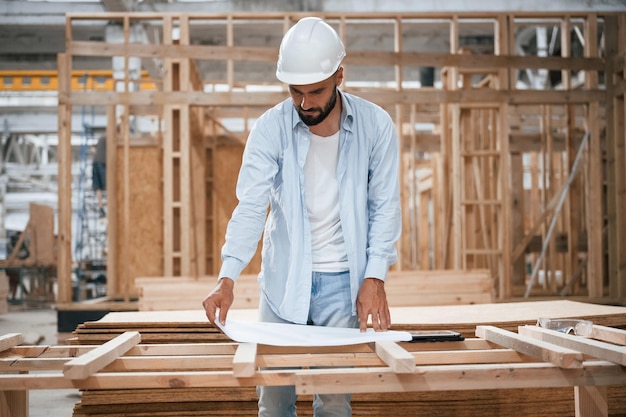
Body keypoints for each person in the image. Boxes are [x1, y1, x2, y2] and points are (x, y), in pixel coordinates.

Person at [202, 16, 401, 417]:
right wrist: (227, 277)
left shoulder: (376, 126)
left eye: (316, 91)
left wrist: (374, 277)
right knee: (274, 400)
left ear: (339, 76)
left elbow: (385, 206)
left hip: (344, 285)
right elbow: (252, 206)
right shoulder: (270, 128)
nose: (305, 103)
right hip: (284, 280)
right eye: (296, 92)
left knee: (333, 403)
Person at [92, 135, 106, 218]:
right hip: (102, 163)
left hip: (95, 162)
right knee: (108, 185)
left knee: (98, 186)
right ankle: (110, 207)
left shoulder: (102, 137)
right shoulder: (111, 138)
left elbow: (93, 149)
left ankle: (100, 207)